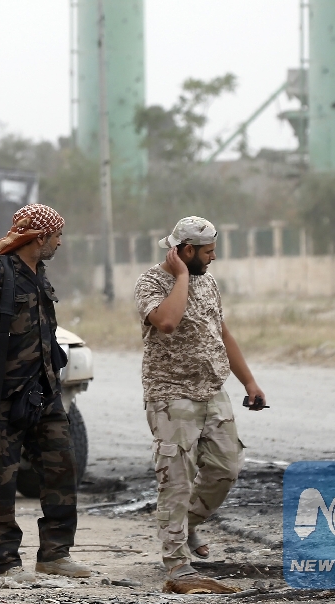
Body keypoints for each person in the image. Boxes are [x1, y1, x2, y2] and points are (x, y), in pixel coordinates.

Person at [0, 204, 91, 584]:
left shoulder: (39, 275)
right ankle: (6, 562)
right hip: (3, 396)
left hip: (43, 392)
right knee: (1, 480)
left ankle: (55, 554)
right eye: (57, 236)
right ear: (39, 237)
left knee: (62, 469)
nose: (60, 242)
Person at [134, 216, 267, 592]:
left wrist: (249, 381)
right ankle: (177, 563)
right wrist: (180, 277)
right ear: (186, 251)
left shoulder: (208, 281)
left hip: (212, 391)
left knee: (226, 468)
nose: (213, 258)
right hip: (171, 395)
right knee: (175, 480)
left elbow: (220, 331)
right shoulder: (150, 282)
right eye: (208, 252)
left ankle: (188, 524)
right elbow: (167, 322)